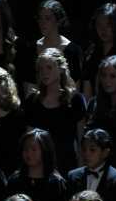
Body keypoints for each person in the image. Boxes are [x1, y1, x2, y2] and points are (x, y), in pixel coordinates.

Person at [24, 48, 87, 176]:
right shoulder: (33, 100)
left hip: (66, 163)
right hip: (39, 164)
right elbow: (29, 140)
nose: (44, 72)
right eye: (41, 69)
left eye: (49, 67)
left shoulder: (75, 100)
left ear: (61, 69)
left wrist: (81, 167)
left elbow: (81, 138)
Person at [7, 128, 67, 201]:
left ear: (45, 151)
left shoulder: (56, 182)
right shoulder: (15, 180)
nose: (28, 153)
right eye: (26, 149)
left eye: (34, 149)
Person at [23, 0, 83, 91]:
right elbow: (28, 86)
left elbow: (75, 88)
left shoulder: (72, 50)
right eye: (40, 18)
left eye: (47, 18)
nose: (42, 22)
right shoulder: (32, 48)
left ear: (58, 21)